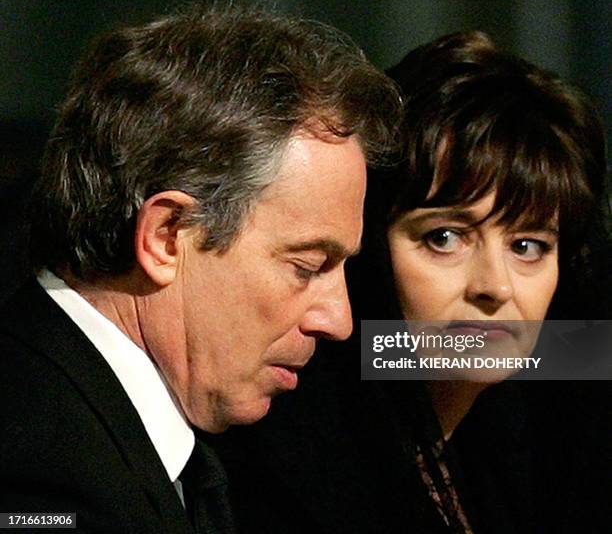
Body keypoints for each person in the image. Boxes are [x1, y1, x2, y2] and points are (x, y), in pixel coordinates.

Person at [0, 3, 401, 533]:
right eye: (307, 265)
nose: (340, 319)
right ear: (166, 237)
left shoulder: (124, 439)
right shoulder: (37, 469)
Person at [212, 31, 609, 533]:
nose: (495, 287)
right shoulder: (282, 461)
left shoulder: (527, 432)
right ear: (369, 243)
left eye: (528, 246)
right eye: (445, 237)